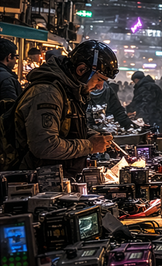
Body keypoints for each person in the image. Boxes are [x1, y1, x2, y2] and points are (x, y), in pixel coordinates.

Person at [14, 41, 117, 172]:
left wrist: (92, 135)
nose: (100, 87)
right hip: (38, 178)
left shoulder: (70, 91)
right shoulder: (48, 93)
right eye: (99, 79)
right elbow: (45, 145)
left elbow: (64, 130)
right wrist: (90, 145)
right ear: (81, 70)